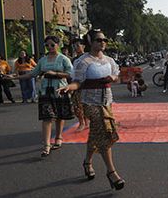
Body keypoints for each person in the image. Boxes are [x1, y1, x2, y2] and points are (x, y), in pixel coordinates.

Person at [58, 29, 125, 190]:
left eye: (104, 40)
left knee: (95, 133)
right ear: (90, 42)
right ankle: (111, 172)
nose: (102, 42)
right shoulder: (83, 61)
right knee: (103, 132)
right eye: (98, 40)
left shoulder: (109, 60)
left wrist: (113, 78)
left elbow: (117, 77)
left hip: (107, 102)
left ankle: (87, 162)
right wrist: (69, 87)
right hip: (89, 103)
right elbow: (78, 82)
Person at [9, 35, 73, 157]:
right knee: (47, 117)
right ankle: (46, 145)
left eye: (52, 45)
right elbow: (33, 73)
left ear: (58, 45)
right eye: (47, 45)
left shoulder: (64, 59)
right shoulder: (43, 60)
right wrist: (16, 77)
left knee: (60, 115)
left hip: (60, 90)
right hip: (45, 91)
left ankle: (59, 137)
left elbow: (70, 74)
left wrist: (55, 73)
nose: (50, 47)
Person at [71, 38, 88, 131]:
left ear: (83, 46)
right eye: (74, 46)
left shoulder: (88, 57)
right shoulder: (73, 60)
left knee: (86, 104)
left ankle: (87, 122)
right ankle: (81, 122)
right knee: (77, 105)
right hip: (76, 85)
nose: (76, 47)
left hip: (87, 85)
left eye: (78, 45)